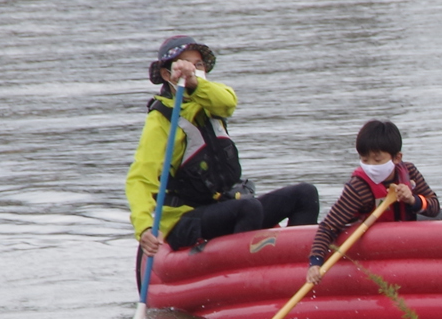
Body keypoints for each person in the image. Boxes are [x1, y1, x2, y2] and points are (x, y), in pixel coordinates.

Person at [128, 36, 320, 257]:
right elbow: (140, 178)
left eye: (198, 64)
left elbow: (228, 103)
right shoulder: (161, 121)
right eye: (185, 64)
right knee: (248, 208)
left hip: (223, 205)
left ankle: (297, 265)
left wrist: (194, 82)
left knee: (305, 194)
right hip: (184, 220)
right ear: (166, 74)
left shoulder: (210, 99)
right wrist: (143, 227)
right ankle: (243, 275)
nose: (193, 69)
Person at [307, 120, 440, 285]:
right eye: (365, 159)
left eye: (377, 161)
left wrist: (413, 199)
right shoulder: (358, 188)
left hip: (407, 249)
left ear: (397, 158)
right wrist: (315, 263)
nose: (370, 166)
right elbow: (328, 227)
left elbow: (433, 206)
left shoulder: (409, 172)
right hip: (378, 255)